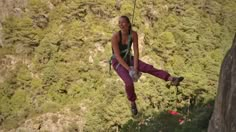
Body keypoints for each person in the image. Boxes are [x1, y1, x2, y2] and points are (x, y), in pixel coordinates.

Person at [111, 16, 184, 116]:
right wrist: (129, 70)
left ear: (128, 24)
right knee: (128, 83)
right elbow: (118, 56)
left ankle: (171, 78)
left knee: (148, 68)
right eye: (119, 23)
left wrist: (136, 67)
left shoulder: (133, 34)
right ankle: (132, 102)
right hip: (118, 62)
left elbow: (136, 51)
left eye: (123, 22)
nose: (121, 24)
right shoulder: (115, 37)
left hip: (129, 58)